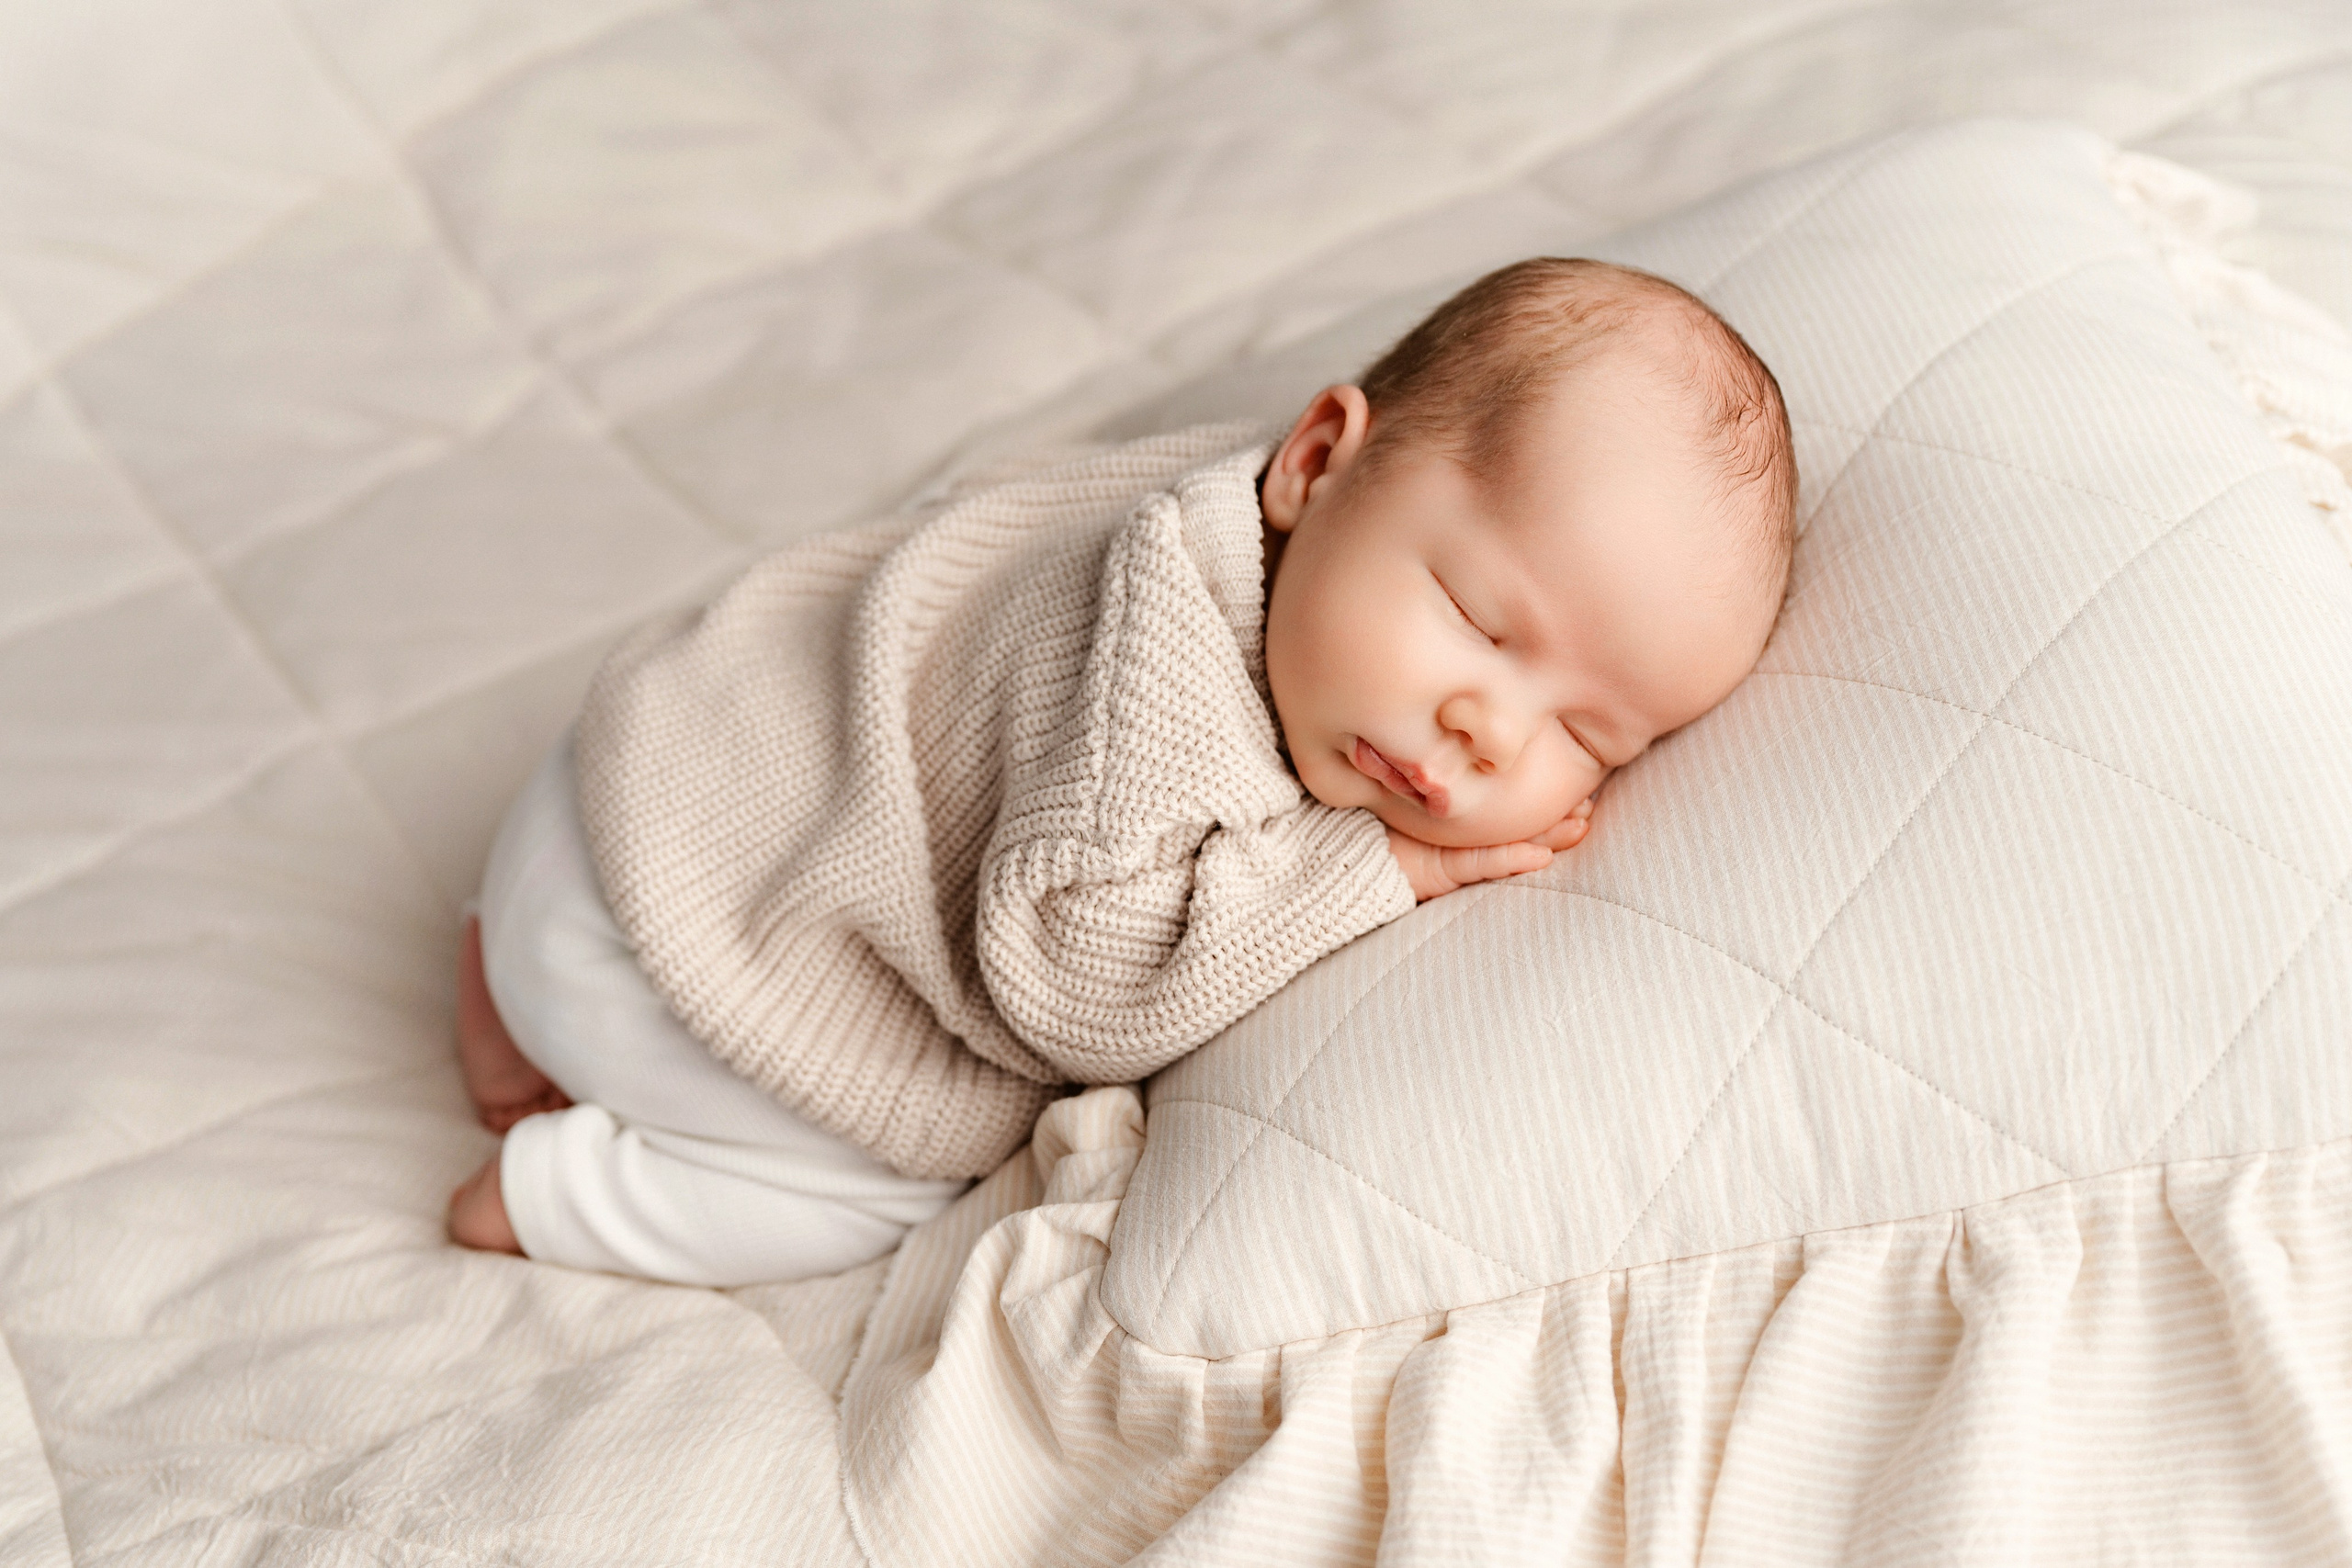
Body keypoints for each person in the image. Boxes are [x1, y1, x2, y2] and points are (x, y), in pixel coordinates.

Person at [446, 257, 1798, 1286]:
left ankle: (501, 990)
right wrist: (1373, 869)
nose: (1487, 728)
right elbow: (1083, 997)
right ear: (1320, 460)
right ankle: (553, 1192)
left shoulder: (1215, 520)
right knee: (888, 1191)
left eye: (1585, 737)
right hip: (671, 935)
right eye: (1478, 620)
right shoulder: (1162, 699)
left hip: (609, 780)